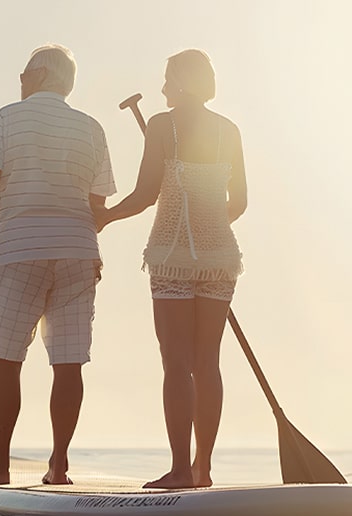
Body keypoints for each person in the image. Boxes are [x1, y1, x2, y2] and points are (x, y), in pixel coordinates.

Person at [0, 44, 116, 486]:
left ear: (43, 74)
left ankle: (1, 466)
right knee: (69, 362)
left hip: (20, 248)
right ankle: (58, 465)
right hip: (78, 252)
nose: (21, 79)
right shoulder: (92, 127)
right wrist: (87, 247)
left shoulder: (9, 116)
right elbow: (97, 203)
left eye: (26, 72)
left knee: (6, 358)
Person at [97, 49, 247, 488]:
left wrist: (106, 216)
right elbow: (238, 203)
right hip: (222, 258)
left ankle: (180, 470)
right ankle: (203, 471)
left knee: (177, 364)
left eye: (167, 80)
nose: (162, 89)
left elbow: (145, 195)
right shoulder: (230, 130)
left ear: (182, 82)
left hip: (172, 260)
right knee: (208, 364)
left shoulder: (163, 126)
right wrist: (208, 224)